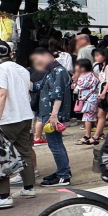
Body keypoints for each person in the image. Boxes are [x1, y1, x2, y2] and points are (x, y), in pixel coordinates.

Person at [0, 40, 36, 210]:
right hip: (24, 116)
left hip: (6, 119)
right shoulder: (21, 69)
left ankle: (2, 196)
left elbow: (1, 94)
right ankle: (29, 187)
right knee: (24, 151)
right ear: (9, 52)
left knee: (0, 156)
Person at [30, 47, 72, 186]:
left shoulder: (59, 71)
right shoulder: (51, 71)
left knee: (55, 144)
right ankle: (63, 170)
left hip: (52, 115)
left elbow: (58, 94)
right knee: (56, 143)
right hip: (49, 113)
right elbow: (37, 87)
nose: (37, 63)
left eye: (38, 59)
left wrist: (54, 115)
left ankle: (63, 175)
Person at [73, 59, 100, 144]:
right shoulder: (93, 74)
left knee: (87, 117)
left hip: (89, 99)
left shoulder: (85, 76)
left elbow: (79, 85)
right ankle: (99, 133)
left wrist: (75, 80)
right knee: (94, 115)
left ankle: (87, 135)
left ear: (82, 68)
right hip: (92, 98)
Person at [92, 47, 108, 140]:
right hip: (104, 91)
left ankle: (97, 135)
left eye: (98, 55)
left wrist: (103, 93)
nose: (96, 58)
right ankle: (99, 133)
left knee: (102, 114)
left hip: (107, 92)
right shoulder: (104, 66)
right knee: (105, 113)